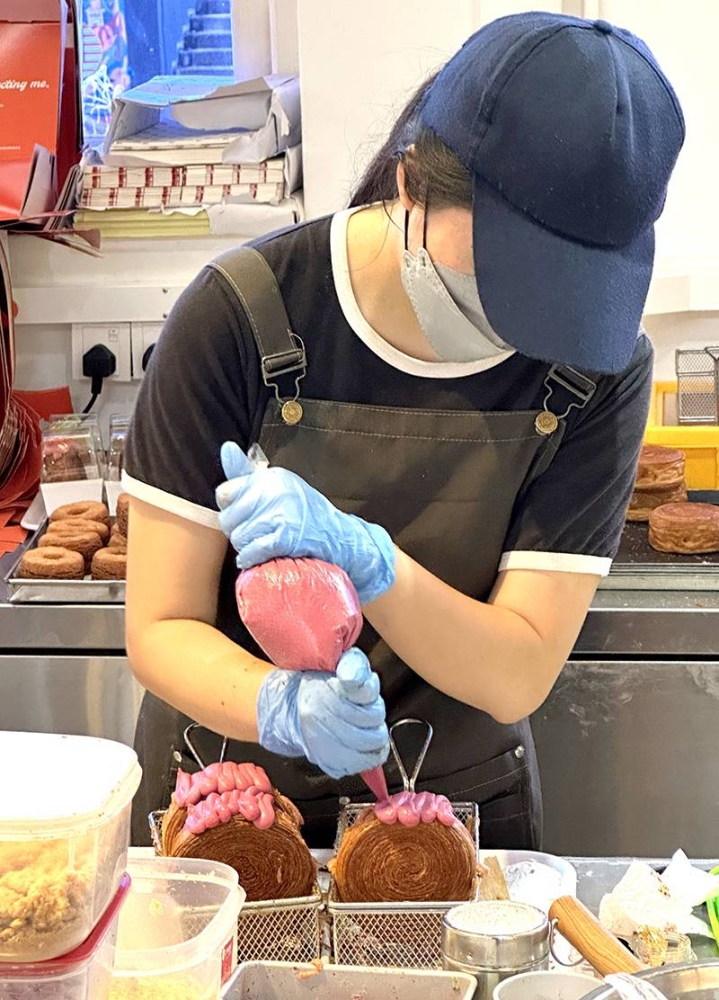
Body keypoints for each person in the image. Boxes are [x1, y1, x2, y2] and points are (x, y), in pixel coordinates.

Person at [123, 11, 684, 848]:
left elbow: (519, 666)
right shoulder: (241, 314)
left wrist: (372, 563)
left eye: (569, 292)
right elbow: (159, 626)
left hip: (455, 810)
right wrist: (278, 706)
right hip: (226, 802)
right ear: (412, 185)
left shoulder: (599, 365)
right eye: (506, 280)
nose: (527, 329)